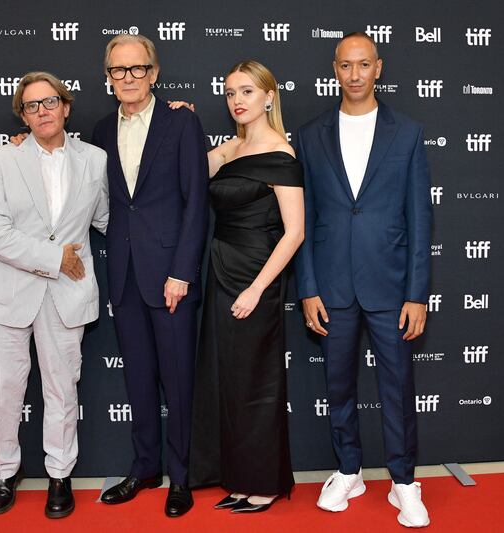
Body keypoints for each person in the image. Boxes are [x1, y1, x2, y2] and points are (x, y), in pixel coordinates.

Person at [294, 33, 432, 528]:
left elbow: (420, 220)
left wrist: (417, 293)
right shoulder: (310, 135)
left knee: (397, 388)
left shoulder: (408, 132)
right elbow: (303, 221)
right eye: (345, 66)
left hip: (391, 285)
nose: (354, 75)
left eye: (364, 65)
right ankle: (348, 469)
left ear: (379, 67)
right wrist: (307, 286)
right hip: (331, 286)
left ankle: (403, 483)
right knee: (338, 386)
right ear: (334, 69)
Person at [0, 71, 109, 519]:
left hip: (66, 297)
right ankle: (4, 473)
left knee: (61, 389)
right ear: (23, 115)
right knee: (6, 390)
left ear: (66, 106)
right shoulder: (1, 159)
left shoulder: (95, 159)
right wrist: (54, 258)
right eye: (31, 105)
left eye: (49, 101)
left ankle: (60, 474)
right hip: (8, 296)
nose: (42, 111)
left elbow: (110, 219)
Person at [92, 34, 209, 518]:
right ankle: (145, 468)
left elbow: (196, 202)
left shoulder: (182, 122)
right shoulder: (99, 131)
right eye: (118, 71)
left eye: (137, 69)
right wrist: (20, 145)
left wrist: (181, 271)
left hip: (170, 278)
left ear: (154, 73)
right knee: (138, 380)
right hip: (123, 275)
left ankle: (180, 477)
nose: (128, 78)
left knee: (178, 382)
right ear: (108, 78)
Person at [188, 60, 304, 513]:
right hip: (221, 268)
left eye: (247, 92)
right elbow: (178, 168)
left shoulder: (282, 153)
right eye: (231, 92)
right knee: (227, 378)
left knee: (258, 379)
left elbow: (294, 232)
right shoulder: (227, 149)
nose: (237, 100)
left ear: (269, 97)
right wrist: (176, 119)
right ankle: (236, 476)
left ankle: (266, 482)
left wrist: (257, 289)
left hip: (259, 273)